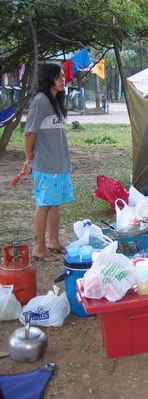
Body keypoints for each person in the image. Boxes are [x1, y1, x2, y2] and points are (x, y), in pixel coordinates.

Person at [23, 63, 73, 260]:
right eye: (59, 76)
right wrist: (28, 156)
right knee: (44, 204)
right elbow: (29, 133)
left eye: (63, 76)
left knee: (54, 204)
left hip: (59, 165)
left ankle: (53, 241)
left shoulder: (55, 101)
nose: (63, 79)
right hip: (46, 166)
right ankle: (39, 248)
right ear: (48, 78)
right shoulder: (40, 101)